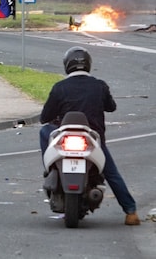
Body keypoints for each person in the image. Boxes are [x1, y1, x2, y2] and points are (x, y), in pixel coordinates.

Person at [39, 46, 140, 226]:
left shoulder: (59, 87)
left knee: (44, 131)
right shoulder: (99, 85)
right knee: (111, 173)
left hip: (64, 140)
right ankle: (131, 212)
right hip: (93, 140)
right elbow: (111, 107)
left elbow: (44, 118)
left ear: (67, 65)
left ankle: (50, 167)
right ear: (88, 65)